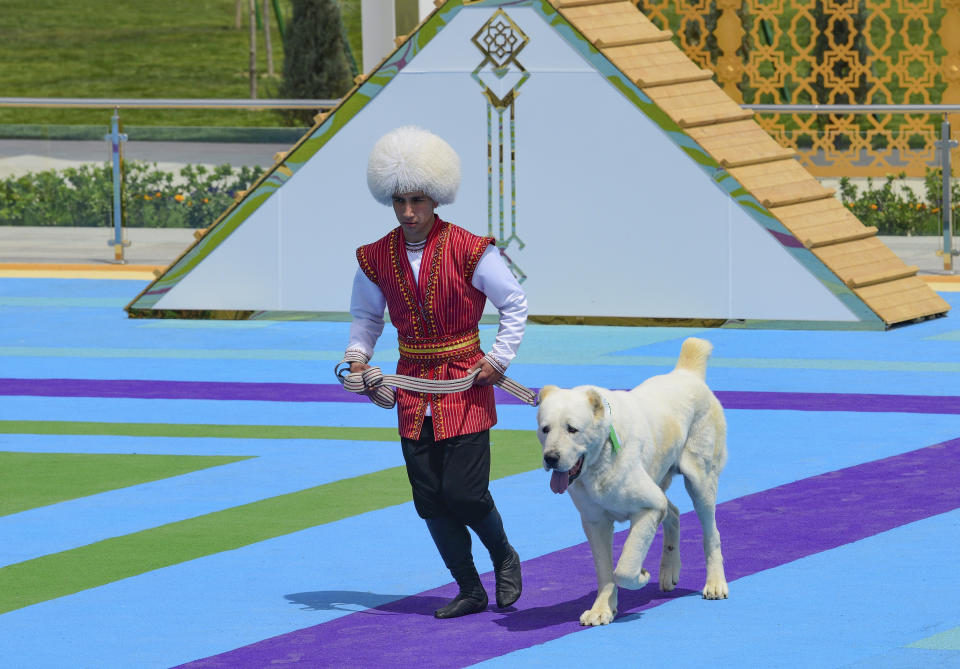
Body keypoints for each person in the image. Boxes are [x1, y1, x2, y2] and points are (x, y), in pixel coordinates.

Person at [343, 126, 527, 619]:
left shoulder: (472, 249)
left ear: (435, 197)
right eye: (400, 200)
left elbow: (514, 303)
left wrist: (499, 359)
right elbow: (366, 318)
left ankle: (503, 555)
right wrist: (357, 359)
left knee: (464, 493)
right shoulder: (374, 257)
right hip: (409, 391)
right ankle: (469, 588)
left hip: (465, 385)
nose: (407, 211)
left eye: (418, 200)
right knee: (429, 500)